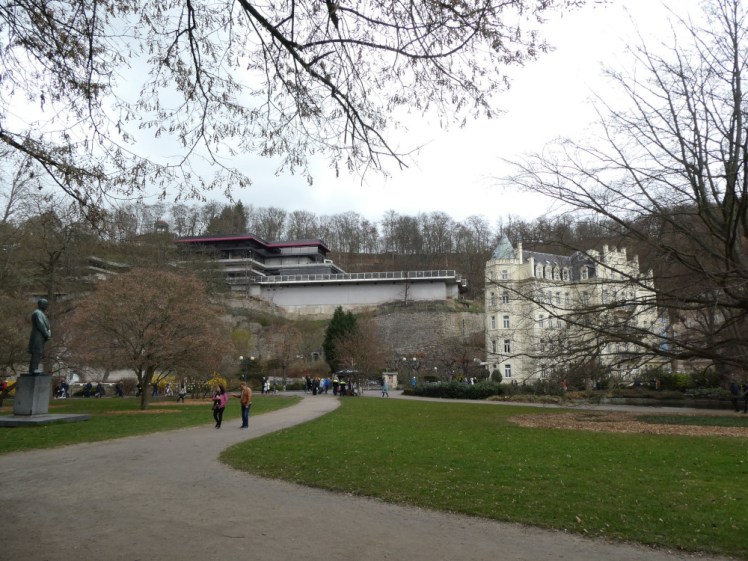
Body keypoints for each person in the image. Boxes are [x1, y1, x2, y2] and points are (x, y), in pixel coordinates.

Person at [28, 298, 51, 375]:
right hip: (37, 336)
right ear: (41, 304)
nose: (46, 306)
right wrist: (46, 334)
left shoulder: (43, 314)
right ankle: (33, 369)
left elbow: (48, 326)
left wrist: (49, 333)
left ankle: (34, 368)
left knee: (39, 352)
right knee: (37, 352)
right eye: (45, 304)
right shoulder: (37, 313)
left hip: (41, 337)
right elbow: (40, 325)